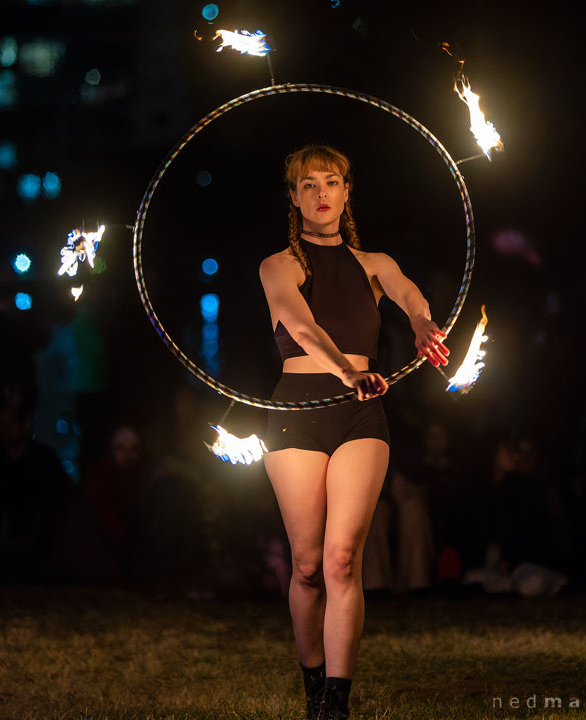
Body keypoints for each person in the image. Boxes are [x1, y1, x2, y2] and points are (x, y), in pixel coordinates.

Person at [259, 145, 449, 720]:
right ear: (293, 197)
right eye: (309, 184)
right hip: (297, 410)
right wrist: (347, 369)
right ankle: (312, 682)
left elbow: (410, 295)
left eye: (332, 182)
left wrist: (421, 324)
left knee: (344, 559)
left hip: (361, 415)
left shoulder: (375, 263)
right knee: (309, 563)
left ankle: (335, 703)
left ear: (347, 192)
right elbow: (298, 320)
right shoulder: (279, 265)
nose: (321, 193)